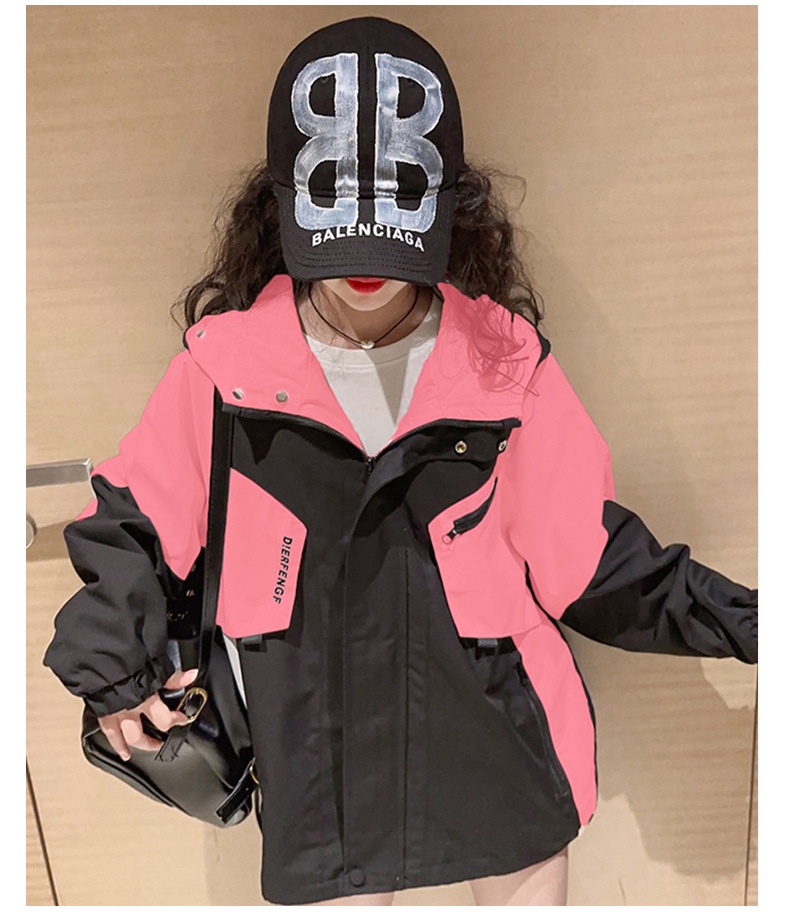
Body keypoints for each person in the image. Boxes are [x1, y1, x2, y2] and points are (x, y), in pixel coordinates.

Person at [43, 16, 757, 907]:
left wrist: (750, 622)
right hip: (324, 771)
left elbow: (597, 560)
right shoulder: (226, 372)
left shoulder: (506, 369)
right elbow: (133, 524)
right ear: (288, 203)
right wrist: (113, 669)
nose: (366, 270)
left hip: (503, 756)